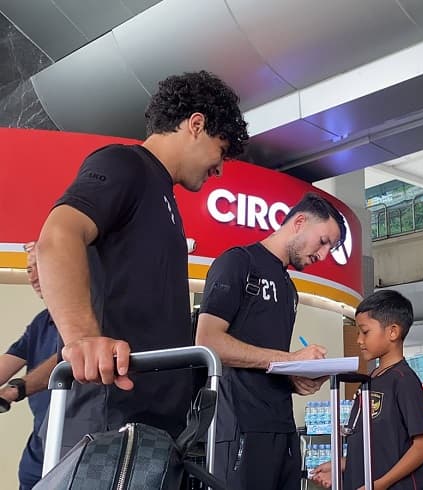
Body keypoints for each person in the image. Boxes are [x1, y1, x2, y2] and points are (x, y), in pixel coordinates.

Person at [36, 70, 248, 449]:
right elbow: (58, 236)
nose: (219, 168)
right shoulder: (124, 164)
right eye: (221, 150)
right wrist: (82, 338)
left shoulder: (163, 196)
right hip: (110, 418)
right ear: (196, 125)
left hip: (154, 426)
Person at [196, 192, 346, 490]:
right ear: (300, 222)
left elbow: (264, 356)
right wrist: (291, 360)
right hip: (240, 426)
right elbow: (207, 342)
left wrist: (295, 377)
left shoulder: (288, 288)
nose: (324, 255)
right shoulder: (238, 262)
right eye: (324, 241)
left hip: (282, 426)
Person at [311, 290, 423, 490]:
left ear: (393, 332)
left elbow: (422, 447)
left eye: (365, 332)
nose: (359, 340)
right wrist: (339, 466)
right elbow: (373, 449)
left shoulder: (404, 381)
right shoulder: (370, 380)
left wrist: (378, 485)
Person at [0, 242, 59, 489]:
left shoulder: (92, 316)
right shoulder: (41, 322)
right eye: (28, 270)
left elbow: (66, 361)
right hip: (39, 452)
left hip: (74, 447)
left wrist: (15, 390)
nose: (33, 277)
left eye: (39, 267)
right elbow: (9, 361)